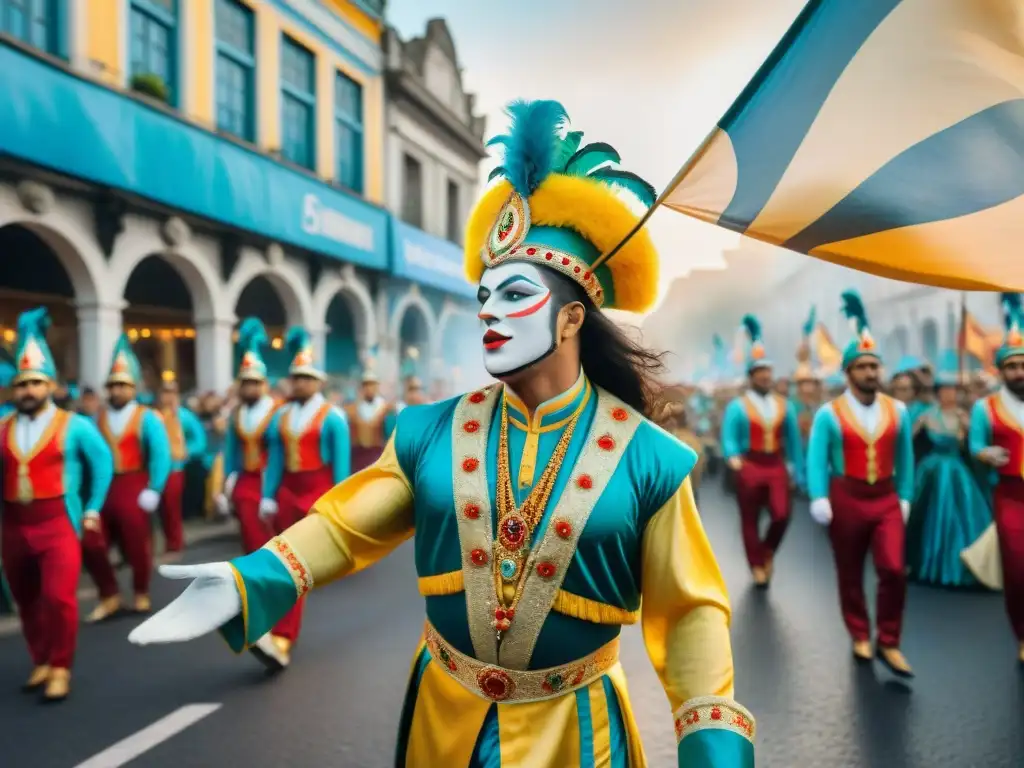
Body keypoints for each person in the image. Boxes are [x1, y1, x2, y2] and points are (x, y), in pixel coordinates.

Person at [128, 100, 756, 768]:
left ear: (572, 320)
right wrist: (251, 578)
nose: (490, 311)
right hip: (443, 717)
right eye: (484, 297)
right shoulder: (430, 430)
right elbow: (347, 526)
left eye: (514, 295)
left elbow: (690, 610)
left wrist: (708, 739)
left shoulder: (648, 458)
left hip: (575, 730)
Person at [0, 308, 113, 701]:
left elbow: (103, 463)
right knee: (26, 599)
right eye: (22, 384)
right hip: (14, 524)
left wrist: (93, 507)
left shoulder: (74, 424)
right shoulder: (3, 426)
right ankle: (42, 659)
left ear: (49, 385)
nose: (27, 391)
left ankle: (62, 666)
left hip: (58, 522)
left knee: (58, 597)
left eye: (35, 383)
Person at [806, 290, 915, 677]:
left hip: (885, 498)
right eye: (863, 367)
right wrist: (819, 496)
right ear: (848, 372)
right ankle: (859, 633)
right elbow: (816, 459)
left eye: (874, 366)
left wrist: (905, 496)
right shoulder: (828, 414)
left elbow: (906, 458)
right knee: (849, 571)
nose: (871, 373)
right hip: (847, 497)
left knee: (894, 569)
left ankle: (889, 639)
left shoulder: (897, 410)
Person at [247, 326, 350, 670]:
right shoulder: (282, 416)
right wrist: (267, 495)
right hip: (287, 492)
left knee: (295, 566)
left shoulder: (333, 418)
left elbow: (341, 466)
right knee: (281, 563)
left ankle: (282, 638)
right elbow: (275, 459)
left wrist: (338, 505)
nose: (300, 383)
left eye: (307, 378)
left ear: (319, 382)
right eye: (296, 378)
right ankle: (271, 628)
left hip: (317, 492)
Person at [81, 333, 172, 621]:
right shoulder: (99, 418)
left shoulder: (146, 417)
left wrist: (154, 487)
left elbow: (160, 453)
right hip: (104, 487)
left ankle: (141, 590)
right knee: (92, 540)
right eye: (113, 386)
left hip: (134, 483)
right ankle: (109, 593)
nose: (117, 390)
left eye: (122, 385)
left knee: (136, 542)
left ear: (132, 388)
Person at [721, 315, 803, 587]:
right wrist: (732, 456)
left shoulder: (785, 405)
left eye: (768, 371)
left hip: (776, 464)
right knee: (750, 517)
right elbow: (729, 436)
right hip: (750, 464)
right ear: (752, 376)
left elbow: (793, 440)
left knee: (782, 514)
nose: (766, 376)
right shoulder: (738, 406)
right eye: (760, 372)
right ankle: (756, 564)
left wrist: (796, 470)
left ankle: (767, 550)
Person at [968, 293, 1024, 664]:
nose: (1020, 372)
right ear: (1001, 371)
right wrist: (985, 453)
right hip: (1010, 494)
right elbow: (974, 444)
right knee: (1017, 566)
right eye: (1013, 367)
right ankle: (1022, 632)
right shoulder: (984, 407)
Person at [906, 350, 991, 587]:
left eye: (952, 390)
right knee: (924, 515)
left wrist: (967, 438)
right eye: (944, 390)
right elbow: (908, 442)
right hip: (931, 471)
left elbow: (974, 444)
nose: (949, 394)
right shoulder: (926, 416)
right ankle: (923, 563)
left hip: (957, 472)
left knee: (961, 519)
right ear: (937, 393)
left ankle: (962, 568)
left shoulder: (964, 417)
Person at [216, 319, 279, 555]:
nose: (250, 388)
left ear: (264, 384)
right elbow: (231, 450)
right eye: (245, 383)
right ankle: (256, 582)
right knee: (250, 536)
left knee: (277, 537)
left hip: (274, 480)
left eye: (255, 383)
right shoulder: (237, 414)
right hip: (246, 482)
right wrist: (226, 482)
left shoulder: (278, 411)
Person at [156, 375, 206, 553]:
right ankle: (167, 539)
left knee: (172, 507)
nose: (168, 397)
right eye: (165, 392)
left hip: (175, 468)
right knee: (161, 508)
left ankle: (175, 542)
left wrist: (187, 451)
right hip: (155, 470)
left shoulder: (184, 416)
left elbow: (199, 439)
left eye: (171, 393)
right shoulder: (154, 416)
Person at [345, 367, 393, 472]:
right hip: (358, 460)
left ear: (377, 387)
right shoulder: (352, 409)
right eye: (366, 385)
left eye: (372, 385)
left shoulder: (387, 409)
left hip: (379, 459)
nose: (369, 388)